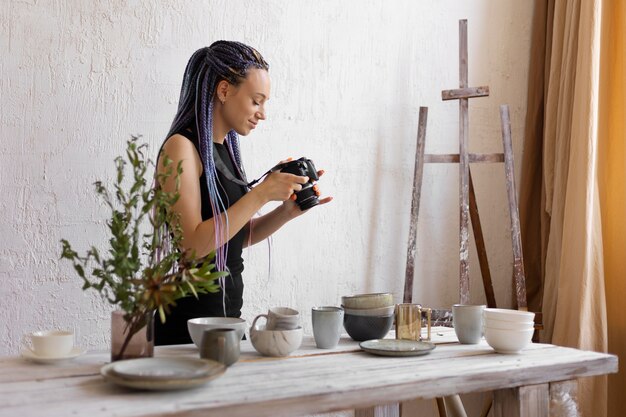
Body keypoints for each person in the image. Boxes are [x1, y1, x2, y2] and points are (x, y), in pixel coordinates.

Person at [154, 41, 332, 345]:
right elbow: (192, 246)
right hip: (188, 325)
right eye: (256, 101)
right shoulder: (181, 148)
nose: (262, 113)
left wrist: (287, 211)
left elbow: (233, 235)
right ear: (224, 91)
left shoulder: (223, 153)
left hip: (224, 319)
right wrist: (260, 194)